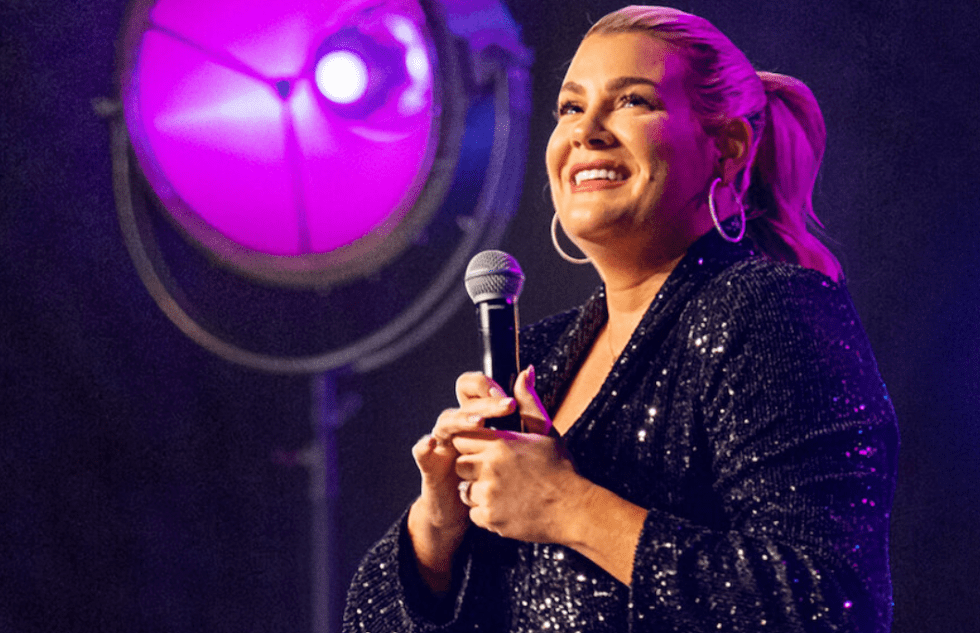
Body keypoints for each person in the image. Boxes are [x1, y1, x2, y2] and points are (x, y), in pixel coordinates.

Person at [343, 5, 898, 632]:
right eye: (570, 108)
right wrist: (439, 525)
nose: (587, 131)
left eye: (633, 101)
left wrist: (568, 505)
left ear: (727, 148)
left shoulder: (772, 311)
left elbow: (828, 603)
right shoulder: (540, 360)